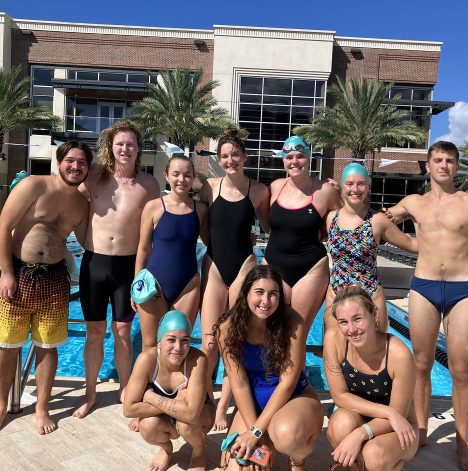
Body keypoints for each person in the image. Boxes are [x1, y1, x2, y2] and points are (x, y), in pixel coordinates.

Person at [384, 140, 468, 470]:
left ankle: (462, 444)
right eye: (438, 159)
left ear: (456, 165)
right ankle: (421, 431)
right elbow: (379, 220)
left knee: (461, 370)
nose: (443, 165)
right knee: (421, 364)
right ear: (428, 164)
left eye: (449, 160)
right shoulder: (413, 202)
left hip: (461, 290)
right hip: (423, 288)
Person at [0, 141, 91, 433]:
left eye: (82, 163)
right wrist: (5, 273)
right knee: (7, 346)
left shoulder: (81, 203)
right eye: (71, 161)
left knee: (47, 347)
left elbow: (90, 241)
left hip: (54, 279)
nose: (75, 167)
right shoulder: (32, 186)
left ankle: (42, 408)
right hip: (19, 273)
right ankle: (1, 403)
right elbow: (3, 226)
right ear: (59, 161)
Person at [73, 120, 160, 419]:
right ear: (111, 146)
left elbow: (156, 230)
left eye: (131, 144)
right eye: (120, 143)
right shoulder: (95, 175)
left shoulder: (148, 185)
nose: (125, 148)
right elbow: (68, 197)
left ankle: (126, 391)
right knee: (94, 332)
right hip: (95, 263)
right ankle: (90, 394)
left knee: (123, 332)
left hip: (128, 267)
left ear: (139, 148)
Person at [215, 265, 323, 471]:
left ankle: (298, 463)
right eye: (259, 292)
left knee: (287, 434)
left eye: (273, 294)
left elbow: (287, 383)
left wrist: (255, 433)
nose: (266, 301)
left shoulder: (292, 322)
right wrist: (255, 434)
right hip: (252, 407)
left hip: (293, 399)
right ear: (246, 293)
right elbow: (239, 383)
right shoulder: (227, 328)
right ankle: (269, 445)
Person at [199, 129, 270, 430]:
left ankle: (223, 408)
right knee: (209, 343)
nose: (231, 160)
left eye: (235, 155)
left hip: (244, 267)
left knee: (234, 344)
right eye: (224, 156)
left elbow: (272, 226)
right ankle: (204, 401)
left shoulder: (258, 191)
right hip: (214, 266)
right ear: (219, 159)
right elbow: (202, 228)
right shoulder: (209, 187)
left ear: (245, 157)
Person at [324, 286, 418, 471]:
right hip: (373, 415)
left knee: (375, 457)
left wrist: (360, 433)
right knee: (339, 425)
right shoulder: (334, 340)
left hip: (399, 426)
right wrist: (388, 412)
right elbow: (339, 396)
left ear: (373, 313)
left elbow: (398, 414)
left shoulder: (399, 355)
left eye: (358, 319)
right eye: (343, 322)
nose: (351, 329)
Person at [325, 162, 418, 332]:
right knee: (333, 351)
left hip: (370, 294)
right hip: (336, 293)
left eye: (361, 184)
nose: (355, 189)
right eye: (350, 183)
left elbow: (412, 244)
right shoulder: (331, 218)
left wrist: (419, 219)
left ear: (367, 187)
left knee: (375, 354)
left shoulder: (377, 220)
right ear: (342, 186)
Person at [123, 310, 214, 471]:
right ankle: (166, 449)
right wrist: (179, 404)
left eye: (185, 341)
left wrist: (151, 397)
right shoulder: (146, 360)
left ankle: (199, 453)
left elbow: (192, 414)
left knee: (186, 423)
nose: (178, 348)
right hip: (172, 416)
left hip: (202, 417)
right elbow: (129, 409)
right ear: (159, 341)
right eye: (171, 340)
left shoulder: (198, 360)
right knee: (147, 426)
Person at [263, 135, 341, 333]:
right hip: (274, 264)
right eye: (289, 157)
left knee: (296, 333)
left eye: (300, 156)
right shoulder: (275, 187)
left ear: (309, 158)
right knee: (269, 331)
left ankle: (297, 366)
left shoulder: (325, 191)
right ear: (283, 160)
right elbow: (268, 226)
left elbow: (341, 224)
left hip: (310, 269)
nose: (294, 161)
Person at [134, 155, 208, 347]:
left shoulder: (200, 210)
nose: (181, 180)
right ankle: (149, 379)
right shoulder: (154, 207)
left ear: (192, 178)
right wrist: (136, 285)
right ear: (166, 176)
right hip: (153, 283)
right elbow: (143, 248)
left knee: (180, 343)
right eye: (176, 174)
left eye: (187, 175)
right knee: (151, 345)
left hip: (188, 286)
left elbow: (211, 241)